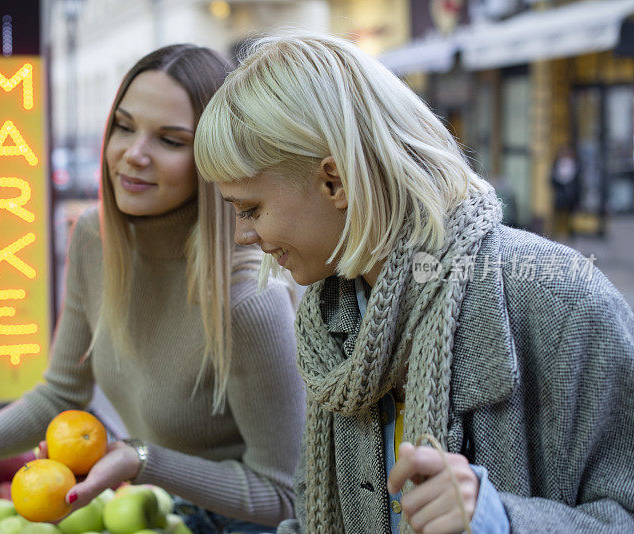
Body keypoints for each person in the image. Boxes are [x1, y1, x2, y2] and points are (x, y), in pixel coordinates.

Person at [0, 44, 305, 532]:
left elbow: (284, 493)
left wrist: (140, 458)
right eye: (124, 127)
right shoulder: (94, 238)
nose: (133, 155)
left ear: (213, 158)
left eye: (170, 141)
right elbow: (61, 394)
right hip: (160, 507)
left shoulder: (249, 300)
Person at [194, 33, 634, 534]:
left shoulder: (561, 299)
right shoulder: (329, 323)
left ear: (333, 181)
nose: (243, 235)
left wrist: (497, 519)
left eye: (251, 209)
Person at [551, 144, 580, 238]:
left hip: (571, 195)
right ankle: (556, 232)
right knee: (558, 214)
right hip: (560, 194)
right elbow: (552, 179)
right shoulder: (557, 163)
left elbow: (577, 180)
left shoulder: (574, 164)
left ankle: (571, 232)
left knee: (570, 215)